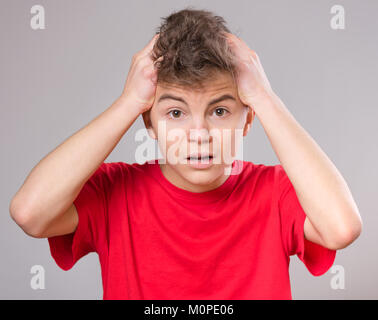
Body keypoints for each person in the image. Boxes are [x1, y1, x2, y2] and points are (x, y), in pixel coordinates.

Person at [9, 8, 362, 299]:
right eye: (176, 113)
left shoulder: (273, 192)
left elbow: (341, 228)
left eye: (220, 111)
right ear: (148, 122)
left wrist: (266, 98)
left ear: (249, 118)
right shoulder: (114, 192)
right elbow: (29, 213)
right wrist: (127, 103)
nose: (199, 135)